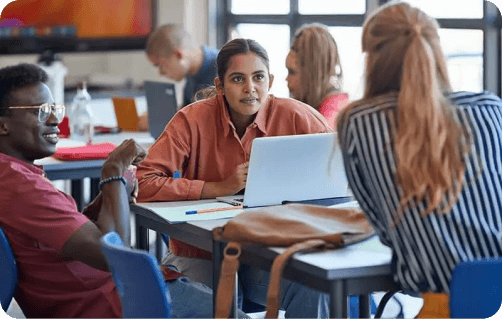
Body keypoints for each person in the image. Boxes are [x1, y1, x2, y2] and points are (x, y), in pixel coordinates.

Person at [0, 63, 241, 318]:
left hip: (108, 296)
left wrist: (114, 188)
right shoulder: (21, 187)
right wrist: (113, 171)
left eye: (54, 109)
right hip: (119, 303)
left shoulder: (13, 176)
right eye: (40, 111)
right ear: (3, 125)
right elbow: (116, 255)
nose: (54, 120)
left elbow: (72, 232)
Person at [137, 38, 332, 318]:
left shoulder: (299, 117)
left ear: (271, 80)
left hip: (266, 255)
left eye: (258, 77)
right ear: (219, 86)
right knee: (215, 306)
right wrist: (217, 188)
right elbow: (144, 182)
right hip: (201, 252)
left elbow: (339, 176)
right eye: (238, 79)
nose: (250, 88)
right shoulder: (191, 120)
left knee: (315, 287)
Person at [335, 2, 502, 318]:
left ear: (372, 59)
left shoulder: (360, 120)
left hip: (449, 305)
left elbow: (386, 229)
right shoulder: (490, 107)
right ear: (437, 50)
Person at [286, 23, 349, 129]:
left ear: (310, 73)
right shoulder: (308, 108)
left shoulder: (331, 114)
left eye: (292, 72)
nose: (287, 79)